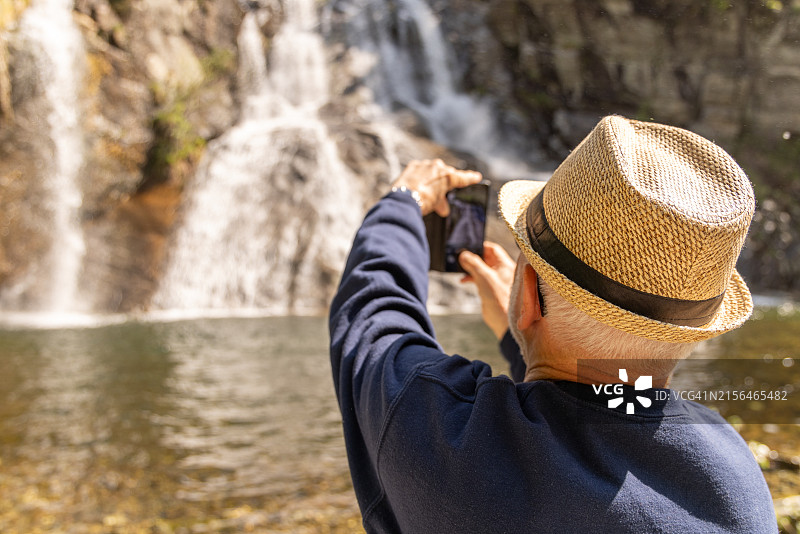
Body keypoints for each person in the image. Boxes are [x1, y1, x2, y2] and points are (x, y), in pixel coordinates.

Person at [329, 116, 777, 533]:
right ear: (688, 333)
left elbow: (372, 318)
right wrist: (521, 336)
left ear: (525, 293)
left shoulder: (454, 447)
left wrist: (404, 201)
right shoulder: (734, 473)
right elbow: (592, 408)